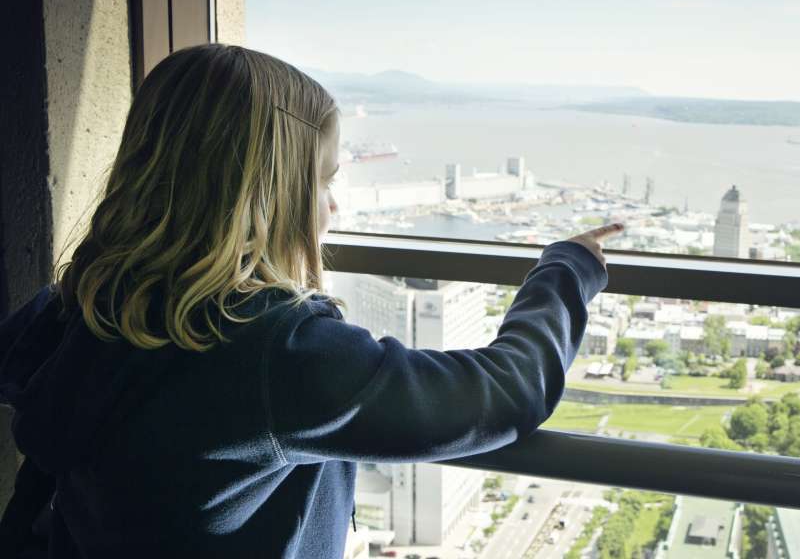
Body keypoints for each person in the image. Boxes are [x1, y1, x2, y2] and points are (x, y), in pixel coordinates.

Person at [0, 44, 623, 558]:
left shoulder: (82, 306)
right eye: (322, 180)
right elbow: (506, 394)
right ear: (266, 192)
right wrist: (566, 270)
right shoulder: (275, 352)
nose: (334, 206)